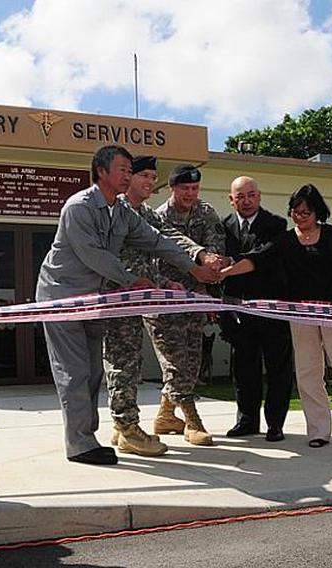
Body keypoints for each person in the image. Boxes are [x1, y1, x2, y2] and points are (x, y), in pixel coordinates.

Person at [36, 145, 219, 465]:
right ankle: (79, 444)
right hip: (63, 297)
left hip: (96, 300)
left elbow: (157, 240)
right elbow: (94, 254)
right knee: (75, 372)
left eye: (129, 169)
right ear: (101, 172)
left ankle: (87, 436)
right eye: (123, 169)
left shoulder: (121, 213)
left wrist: (195, 266)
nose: (128, 175)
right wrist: (132, 280)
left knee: (92, 372)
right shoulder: (78, 207)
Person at [221, 184, 332, 449]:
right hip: (300, 316)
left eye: (306, 212)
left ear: (317, 213)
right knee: (307, 374)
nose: (301, 217)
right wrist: (225, 272)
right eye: (296, 212)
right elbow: (257, 259)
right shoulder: (285, 240)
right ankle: (317, 431)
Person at [103, 155, 209, 457]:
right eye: (143, 176)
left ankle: (122, 423)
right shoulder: (114, 210)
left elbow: (167, 240)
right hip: (118, 295)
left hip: (143, 296)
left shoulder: (147, 213)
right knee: (122, 361)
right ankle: (127, 429)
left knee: (131, 360)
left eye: (153, 177)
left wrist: (193, 261)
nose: (150, 182)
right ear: (128, 179)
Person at [146, 164, 225, 447]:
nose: (191, 194)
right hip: (164, 300)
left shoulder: (206, 213)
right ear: (172, 189)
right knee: (176, 364)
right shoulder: (157, 217)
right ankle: (192, 421)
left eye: (195, 188)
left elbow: (215, 247)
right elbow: (158, 257)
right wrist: (195, 270)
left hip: (195, 298)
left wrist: (211, 271)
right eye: (185, 189)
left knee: (192, 362)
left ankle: (166, 416)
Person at [220, 176, 294, 442]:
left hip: (271, 311)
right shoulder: (223, 227)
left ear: (259, 196)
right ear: (231, 199)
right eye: (240, 196)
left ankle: (275, 424)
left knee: (278, 369)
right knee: (243, 369)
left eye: (251, 195)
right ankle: (247, 421)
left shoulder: (276, 224)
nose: (247, 200)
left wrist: (228, 269)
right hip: (237, 312)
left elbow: (262, 257)